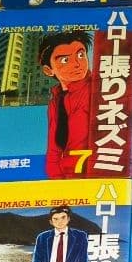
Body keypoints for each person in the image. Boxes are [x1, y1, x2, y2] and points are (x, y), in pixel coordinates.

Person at [39, 30, 94, 179]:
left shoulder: (98, 89)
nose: (77, 64)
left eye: (81, 55)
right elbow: (53, 148)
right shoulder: (55, 101)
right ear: (48, 70)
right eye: (65, 60)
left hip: (94, 176)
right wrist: (56, 179)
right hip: (66, 179)